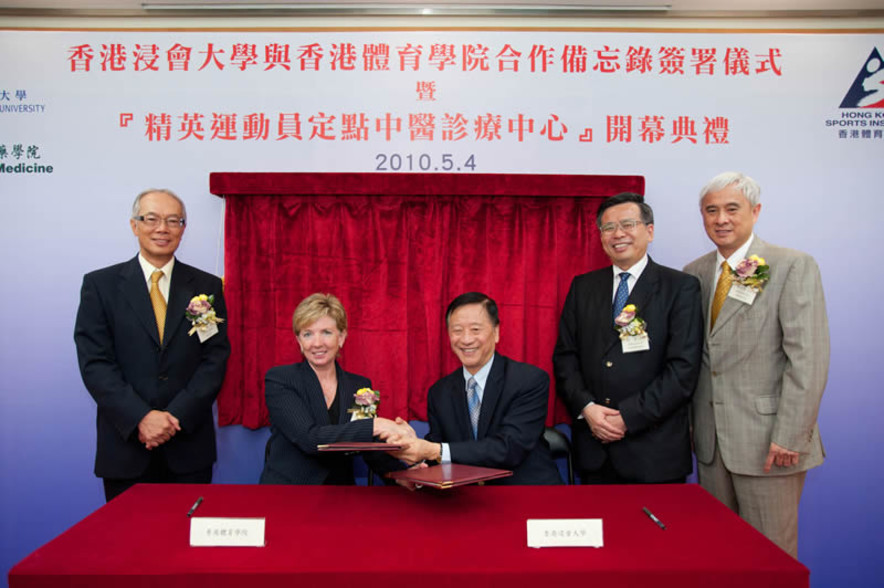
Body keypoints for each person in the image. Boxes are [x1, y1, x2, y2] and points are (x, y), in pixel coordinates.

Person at [684, 171, 829, 558]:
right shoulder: (694, 273)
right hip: (713, 445)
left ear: (755, 210)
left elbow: (808, 357)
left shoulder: (790, 266)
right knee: (721, 552)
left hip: (771, 442)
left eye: (732, 208)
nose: (721, 219)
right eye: (711, 211)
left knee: (771, 555)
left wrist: (791, 434)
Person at [75, 188, 230, 502]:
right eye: (152, 219)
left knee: (186, 545)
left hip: (188, 444)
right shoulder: (100, 286)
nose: (163, 228)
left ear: (183, 229)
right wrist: (141, 418)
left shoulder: (205, 287)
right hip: (127, 444)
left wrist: (175, 417)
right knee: (128, 546)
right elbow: (95, 363)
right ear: (135, 225)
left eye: (173, 220)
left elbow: (214, 359)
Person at [553, 192, 703, 484]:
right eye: (608, 228)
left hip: (654, 451)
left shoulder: (680, 287)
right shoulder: (584, 287)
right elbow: (565, 357)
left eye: (627, 224)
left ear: (649, 230)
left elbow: (682, 370)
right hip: (595, 449)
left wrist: (627, 417)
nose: (617, 234)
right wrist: (588, 409)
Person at [390, 292, 561, 485]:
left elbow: (509, 448)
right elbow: (439, 454)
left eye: (475, 329)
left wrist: (433, 450)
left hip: (526, 493)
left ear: (496, 332)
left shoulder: (529, 380)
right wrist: (414, 452)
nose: (466, 339)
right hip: (465, 499)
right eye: (457, 330)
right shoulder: (440, 392)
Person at [260, 293, 411, 485]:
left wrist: (401, 476)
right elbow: (310, 439)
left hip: (340, 492)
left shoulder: (360, 387)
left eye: (326, 332)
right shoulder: (280, 379)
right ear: (299, 341)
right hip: (289, 491)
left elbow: (367, 446)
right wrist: (376, 425)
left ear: (341, 337)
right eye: (307, 334)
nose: (317, 343)